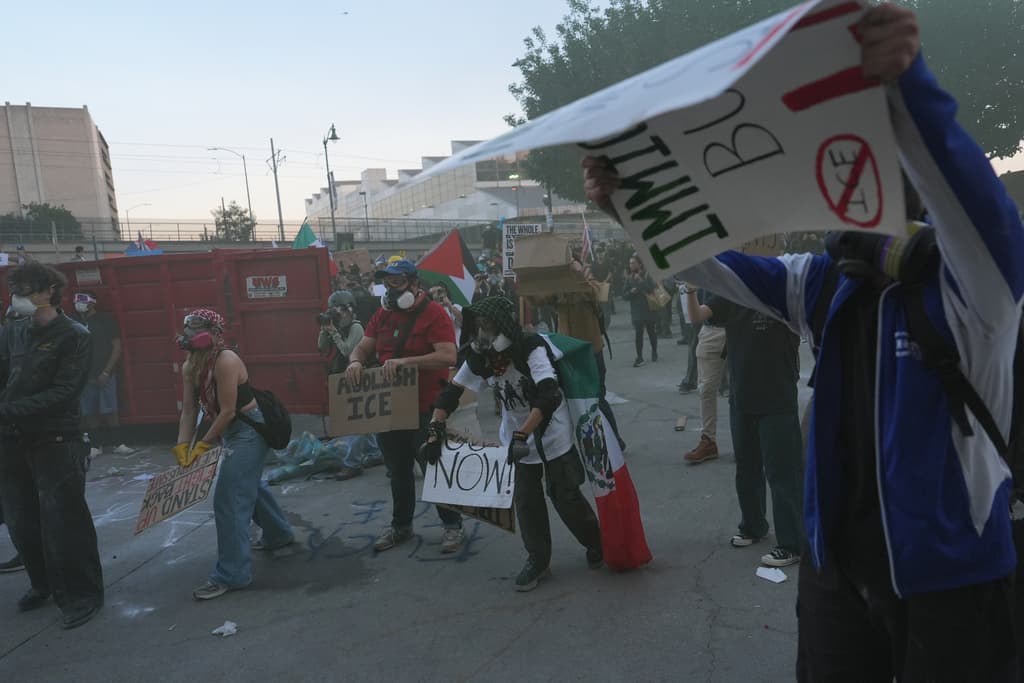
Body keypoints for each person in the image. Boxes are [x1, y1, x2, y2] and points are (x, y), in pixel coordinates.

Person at [583, 5, 1023, 679]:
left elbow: (976, 204)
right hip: (834, 576)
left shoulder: (978, 295)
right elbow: (713, 263)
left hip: (952, 583)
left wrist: (909, 88)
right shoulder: (823, 282)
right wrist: (629, 201)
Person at [425, 296, 602, 591]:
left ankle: (595, 542)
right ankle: (538, 559)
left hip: (550, 433)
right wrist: (435, 428)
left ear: (503, 326)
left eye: (488, 326)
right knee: (526, 502)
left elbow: (549, 394)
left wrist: (524, 433)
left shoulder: (529, 347)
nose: (482, 333)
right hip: (516, 438)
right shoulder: (480, 358)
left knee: (565, 497)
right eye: (477, 326)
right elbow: (450, 393)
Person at [0, 262, 103, 629]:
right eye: (15, 289)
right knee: (21, 521)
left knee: (63, 522)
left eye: (25, 289)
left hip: (55, 438)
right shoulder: (12, 332)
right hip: (12, 438)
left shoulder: (74, 335)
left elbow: (64, 393)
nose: (17, 297)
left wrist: (6, 410)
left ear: (47, 292)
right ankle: (41, 583)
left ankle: (82, 595)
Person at [345, 260, 465, 553]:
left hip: (427, 406)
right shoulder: (382, 315)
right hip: (391, 407)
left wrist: (405, 362)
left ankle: (452, 525)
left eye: (396, 282)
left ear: (414, 284)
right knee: (397, 471)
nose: (390, 288)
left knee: (432, 465)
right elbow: (363, 346)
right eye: (386, 282)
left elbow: (449, 355)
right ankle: (401, 526)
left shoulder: (434, 314)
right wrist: (356, 361)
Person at [175, 308, 295, 601]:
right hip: (229, 429)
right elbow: (189, 411)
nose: (190, 333)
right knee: (247, 484)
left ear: (216, 334)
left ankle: (232, 574)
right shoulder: (191, 364)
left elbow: (228, 410)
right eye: (188, 327)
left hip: (249, 430)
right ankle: (279, 534)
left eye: (197, 327)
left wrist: (202, 445)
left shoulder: (226, 360)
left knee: (229, 499)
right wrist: (182, 448)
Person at [685, 291, 804, 566]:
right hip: (742, 396)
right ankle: (753, 525)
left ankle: (792, 543)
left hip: (777, 396)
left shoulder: (782, 287)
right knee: (747, 467)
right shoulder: (732, 289)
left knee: (783, 473)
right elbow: (696, 316)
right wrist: (689, 289)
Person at [317, 290, 382, 480]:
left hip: (359, 376)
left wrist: (334, 333)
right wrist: (324, 329)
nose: (338, 314)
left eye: (341, 310)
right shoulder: (336, 326)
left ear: (349, 310)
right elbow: (321, 347)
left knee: (357, 420)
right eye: (334, 310)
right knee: (363, 419)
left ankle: (352, 463)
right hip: (343, 378)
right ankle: (376, 453)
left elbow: (348, 351)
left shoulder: (356, 327)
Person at [72, 290, 123, 455]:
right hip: (85, 375)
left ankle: (118, 443)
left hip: (106, 372)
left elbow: (116, 346)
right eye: (76, 300)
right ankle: (95, 445)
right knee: (89, 411)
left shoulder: (106, 320)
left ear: (93, 302)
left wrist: (107, 372)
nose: (79, 304)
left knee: (110, 409)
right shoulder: (72, 322)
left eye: (83, 300)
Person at [682, 286, 726, 463]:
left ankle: (749, 440)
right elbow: (695, 317)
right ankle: (708, 441)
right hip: (712, 329)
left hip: (741, 329)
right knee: (706, 389)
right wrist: (690, 290)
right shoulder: (704, 269)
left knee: (743, 390)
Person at [624, 254, 657, 367]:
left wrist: (641, 281)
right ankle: (639, 357)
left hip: (648, 309)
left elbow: (651, 289)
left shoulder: (647, 275)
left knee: (651, 332)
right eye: (630, 263)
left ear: (639, 264)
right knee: (638, 334)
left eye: (633, 263)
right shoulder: (629, 278)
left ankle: (654, 351)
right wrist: (630, 293)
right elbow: (624, 295)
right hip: (636, 311)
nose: (631, 265)